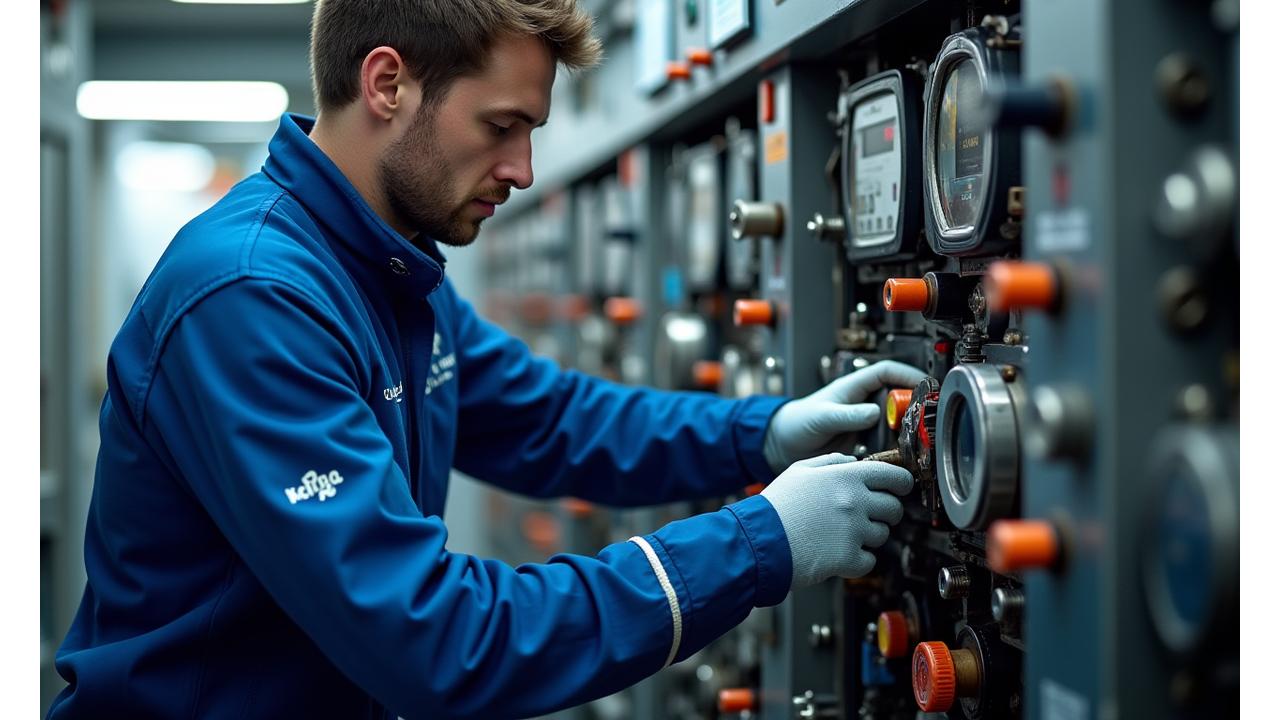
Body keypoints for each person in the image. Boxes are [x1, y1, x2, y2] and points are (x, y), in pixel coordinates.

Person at [48, 1, 926, 718]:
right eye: (502, 125)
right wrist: (759, 541)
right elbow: (436, 642)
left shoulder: (390, 266)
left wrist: (765, 431)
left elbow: (551, 420)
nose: (524, 168)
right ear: (387, 82)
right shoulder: (252, 296)